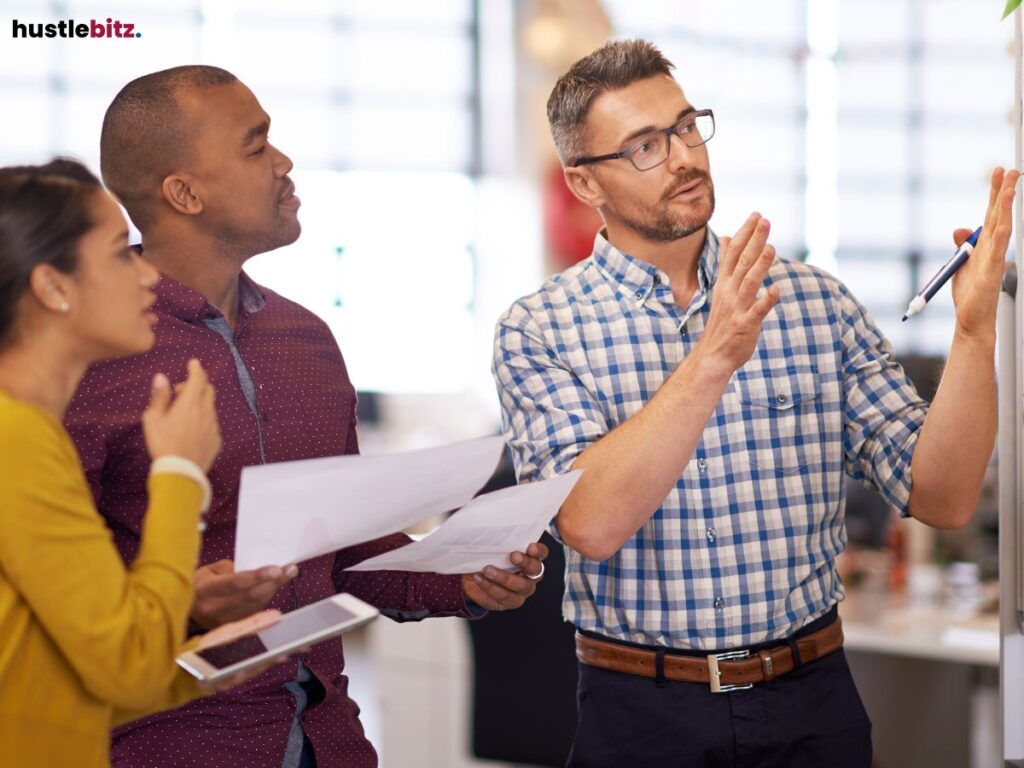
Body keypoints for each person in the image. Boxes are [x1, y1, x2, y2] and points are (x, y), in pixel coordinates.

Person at [492, 39, 1017, 768]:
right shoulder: (540, 328)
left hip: (813, 699)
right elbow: (591, 523)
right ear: (585, 185)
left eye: (684, 126)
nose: (683, 156)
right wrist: (714, 357)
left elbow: (946, 494)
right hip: (642, 714)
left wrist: (973, 330)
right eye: (645, 145)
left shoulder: (810, 300)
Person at [64, 66, 548, 768]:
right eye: (256, 147)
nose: (284, 162)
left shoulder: (307, 340)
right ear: (184, 192)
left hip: (330, 739)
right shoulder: (90, 354)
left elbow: (343, 558)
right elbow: (43, 586)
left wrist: (463, 581)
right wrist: (180, 602)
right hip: (165, 744)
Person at [0, 159, 288, 768]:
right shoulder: (16, 438)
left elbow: (51, 682)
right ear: (53, 286)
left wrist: (196, 670)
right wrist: (181, 475)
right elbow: (126, 665)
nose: (146, 277)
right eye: (117, 254)